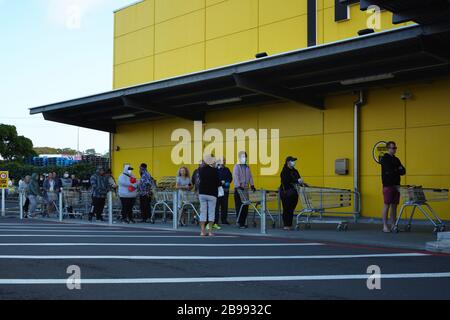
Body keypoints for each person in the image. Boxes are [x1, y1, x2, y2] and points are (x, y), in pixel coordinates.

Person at [380, 141, 406, 233]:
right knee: (386, 205)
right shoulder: (384, 158)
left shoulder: (396, 159)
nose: (394, 149)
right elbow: (389, 171)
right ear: (388, 148)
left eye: (395, 148)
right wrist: (397, 169)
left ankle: (393, 225)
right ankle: (385, 225)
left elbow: (403, 171)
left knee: (394, 206)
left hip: (396, 185)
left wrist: (396, 169)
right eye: (393, 148)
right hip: (388, 185)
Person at [280, 156, 305, 231]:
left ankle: (289, 224)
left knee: (291, 209)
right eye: (292, 161)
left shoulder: (295, 171)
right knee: (286, 208)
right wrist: (297, 181)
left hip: (294, 192)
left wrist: (301, 182)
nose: (294, 162)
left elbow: (298, 179)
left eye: (294, 161)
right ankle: (286, 225)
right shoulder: (284, 171)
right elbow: (286, 181)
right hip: (286, 193)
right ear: (288, 162)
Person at [198, 155, 221, 237]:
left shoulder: (200, 170)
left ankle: (202, 231)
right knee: (211, 212)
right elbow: (219, 183)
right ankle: (210, 231)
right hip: (212, 193)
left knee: (203, 212)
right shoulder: (215, 171)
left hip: (202, 193)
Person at [233, 151, 256, 229]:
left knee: (246, 206)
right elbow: (235, 177)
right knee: (240, 206)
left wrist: (252, 185)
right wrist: (238, 186)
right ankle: (240, 222)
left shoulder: (247, 167)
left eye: (245, 156)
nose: (244, 158)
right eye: (243, 157)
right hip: (239, 189)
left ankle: (243, 222)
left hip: (245, 189)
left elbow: (250, 176)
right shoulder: (237, 166)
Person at [214, 157, 233, 227]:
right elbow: (214, 178)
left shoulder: (227, 169)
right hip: (217, 190)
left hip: (225, 190)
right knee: (216, 206)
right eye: (223, 160)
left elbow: (230, 178)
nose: (224, 161)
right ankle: (215, 220)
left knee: (224, 205)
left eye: (225, 160)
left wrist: (226, 182)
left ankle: (224, 220)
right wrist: (220, 182)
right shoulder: (215, 169)